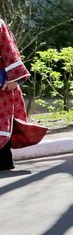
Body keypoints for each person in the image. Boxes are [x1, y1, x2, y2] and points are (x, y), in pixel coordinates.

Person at [0, 17, 46, 171]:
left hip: (2, 86)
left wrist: (14, 79)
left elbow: (9, 50)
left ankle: (4, 162)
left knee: (2, 122)